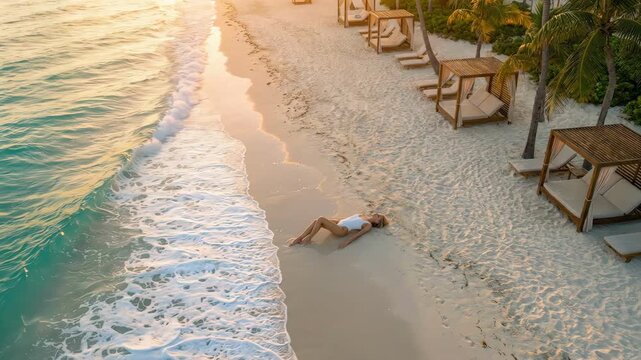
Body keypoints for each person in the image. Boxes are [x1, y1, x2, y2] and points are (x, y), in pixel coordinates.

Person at [288, 213, 389, 249]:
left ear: (377, 222)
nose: (377, 215)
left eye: (379, 217)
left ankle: (308, 239)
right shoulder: (364, 215)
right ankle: (300, 238)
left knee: (321, 219)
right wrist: (334, 220)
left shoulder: (368, 225)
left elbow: (358, 235)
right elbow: (349, 219)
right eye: (378, 215)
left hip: (342, 230)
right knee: (317, 221)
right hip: (339, 223)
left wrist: (346, 242)